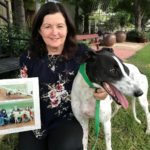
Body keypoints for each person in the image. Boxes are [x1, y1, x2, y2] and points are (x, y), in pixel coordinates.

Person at [19, 2, 108, 150]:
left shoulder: (82, 53)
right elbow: (22, 91)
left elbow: (102, 72)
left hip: (68, 117)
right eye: (47, 26)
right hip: (34, 119)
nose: (55, 32)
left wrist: (104, 89)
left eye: (60, 26)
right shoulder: (28, 57)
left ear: (67, 28)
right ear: (39, 30)